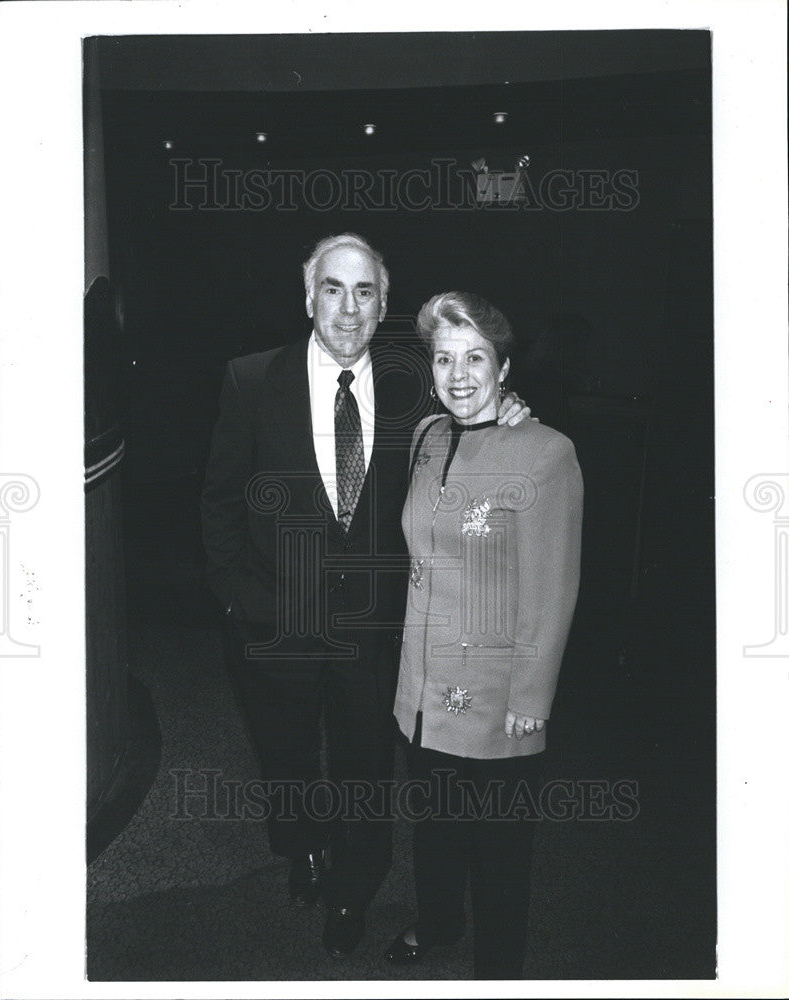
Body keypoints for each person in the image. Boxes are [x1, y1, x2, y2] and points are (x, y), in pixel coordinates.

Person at [200, 234, 529, 959]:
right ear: (307, 297)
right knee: (285, 759)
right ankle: (304, 846)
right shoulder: (251, 380)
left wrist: (506, 408)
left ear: (383, 303)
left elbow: (471, 420)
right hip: (274, 624)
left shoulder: (420, 384)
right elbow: (219, 504)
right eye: (332, 289)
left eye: (365, 292)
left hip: (377, 629)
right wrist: (239, 598)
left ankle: (355, 884)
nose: (347, 308)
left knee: (363, 768)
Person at [384, 291, 583, 979]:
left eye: (475, 358)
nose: (459, 374)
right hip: (421, 686)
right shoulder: (427, 437)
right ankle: (438, 923)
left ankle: (499, 969)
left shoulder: (546, 453)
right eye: (444, 358)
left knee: (499, 849)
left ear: (502, 367)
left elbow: (553, 585)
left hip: (499, 695)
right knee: (435, 828)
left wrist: (533, 696)